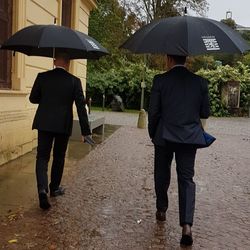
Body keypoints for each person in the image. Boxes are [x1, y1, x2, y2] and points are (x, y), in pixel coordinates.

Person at [148, 54, 210, 246]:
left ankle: (161, 209)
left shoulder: (160, 80)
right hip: (189, 138)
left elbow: (154, 112)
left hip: (164, 136)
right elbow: (205, 112)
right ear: (187, 59)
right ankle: (187, 226)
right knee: (186, 179)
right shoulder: (200, 82)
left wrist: (153, 133)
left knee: (161, 173)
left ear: (168, 59)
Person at [29, 51, 92, 210]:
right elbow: (81, 108)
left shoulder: (42, 77)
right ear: (68, 63)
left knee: (42, 156)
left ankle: (42, 189)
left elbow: (33, 98)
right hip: (63, 125)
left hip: (44, 122)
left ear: (54, 61)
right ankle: (55, 188)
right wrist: (85, 131)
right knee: (59, 156)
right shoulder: (74, 81)